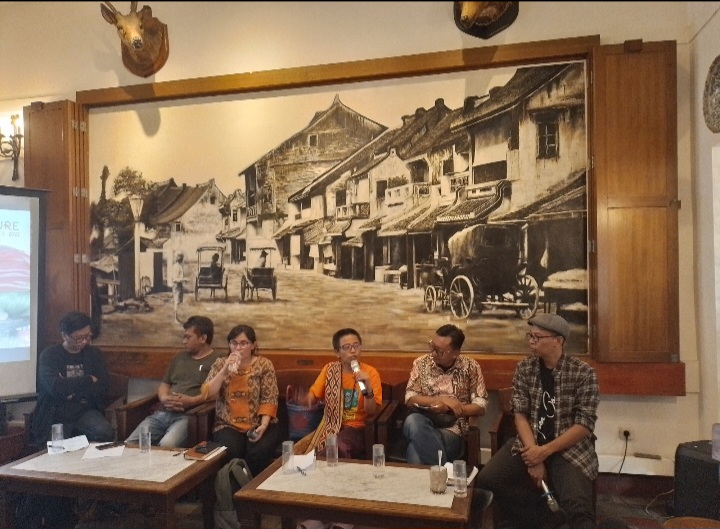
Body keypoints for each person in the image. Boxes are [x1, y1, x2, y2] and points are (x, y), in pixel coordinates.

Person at [476, 313, 599, 529]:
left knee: (578, 507)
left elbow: (584, 424)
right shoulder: (526, 368)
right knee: (488, 479)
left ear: (558, 340)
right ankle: (542, 518)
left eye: (537, 337)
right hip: (529, 442)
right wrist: (534, 454)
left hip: (568, 448)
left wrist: (544, 452)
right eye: (530, 336)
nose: (531, 342)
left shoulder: (583, 373)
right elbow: (520, 413)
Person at [125, 315, 225, 448]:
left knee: (166, 445)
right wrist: (164, 398)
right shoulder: (179, 357)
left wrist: (191, 401)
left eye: (188, 337)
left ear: (203, 338)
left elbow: (218, 394)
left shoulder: (219, 359)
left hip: (189, 416)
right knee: (131, 443)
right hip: (163, 412)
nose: (184, 341)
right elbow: (164, 384)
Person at [403, 323, 487, 466]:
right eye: (432, 346)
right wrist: (442, 400)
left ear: (455, 353)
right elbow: (410, 398)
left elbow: (480, 406)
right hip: (423, 420)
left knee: (415, 451)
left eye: (440, 351)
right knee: (413, 421)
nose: (433, 353)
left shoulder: (471, 367)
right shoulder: (421, 363)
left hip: (452, 429)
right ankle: (443, 473)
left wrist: (450, 409)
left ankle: (438, 473)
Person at [201, 324, 280, 477]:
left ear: (253, 345)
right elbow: (208, 393)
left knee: (259, 451)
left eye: (243, 343)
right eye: (234, 343)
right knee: (231, 450)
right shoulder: (220, 363)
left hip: (260, 422)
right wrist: (224, 370)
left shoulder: (264, 364)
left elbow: (269, 397)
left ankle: (251, 488)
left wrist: (263, 425)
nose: (238, 348)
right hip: (227, 424)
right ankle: (234, 487)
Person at [31, 311, 115, 445]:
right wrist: (88, 379)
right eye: (78, 338)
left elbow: (102, 387)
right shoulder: (49, 355)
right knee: (55, 447)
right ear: (64, 335)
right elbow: (55, 388)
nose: (84, 341)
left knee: (105, 432)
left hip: (84, 409)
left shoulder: (94, 354)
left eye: (87, 336)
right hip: (55, 412)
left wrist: (71, 392)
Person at [298, 328, 382, 459]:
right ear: (337, 352)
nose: (353, 351)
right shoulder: (330, 370)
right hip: (330, 426)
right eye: (347, 347)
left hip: (357, 429)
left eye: (356, 346)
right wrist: (304, 400)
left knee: (335, 447)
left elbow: (371, 411)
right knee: (301, 450)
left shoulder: (370, 373)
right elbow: (312, 397)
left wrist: (368, 387)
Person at [171, 251, 187, 323]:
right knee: (176, 301)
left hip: (179, 285)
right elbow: (174, 278)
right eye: (181, 257)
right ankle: (175, 319)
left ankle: (176, 317)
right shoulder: (176, 266)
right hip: (176, 286)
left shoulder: (179, 266)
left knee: (179, 301)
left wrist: (183, 279)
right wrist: (183, 279)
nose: (182, 259)